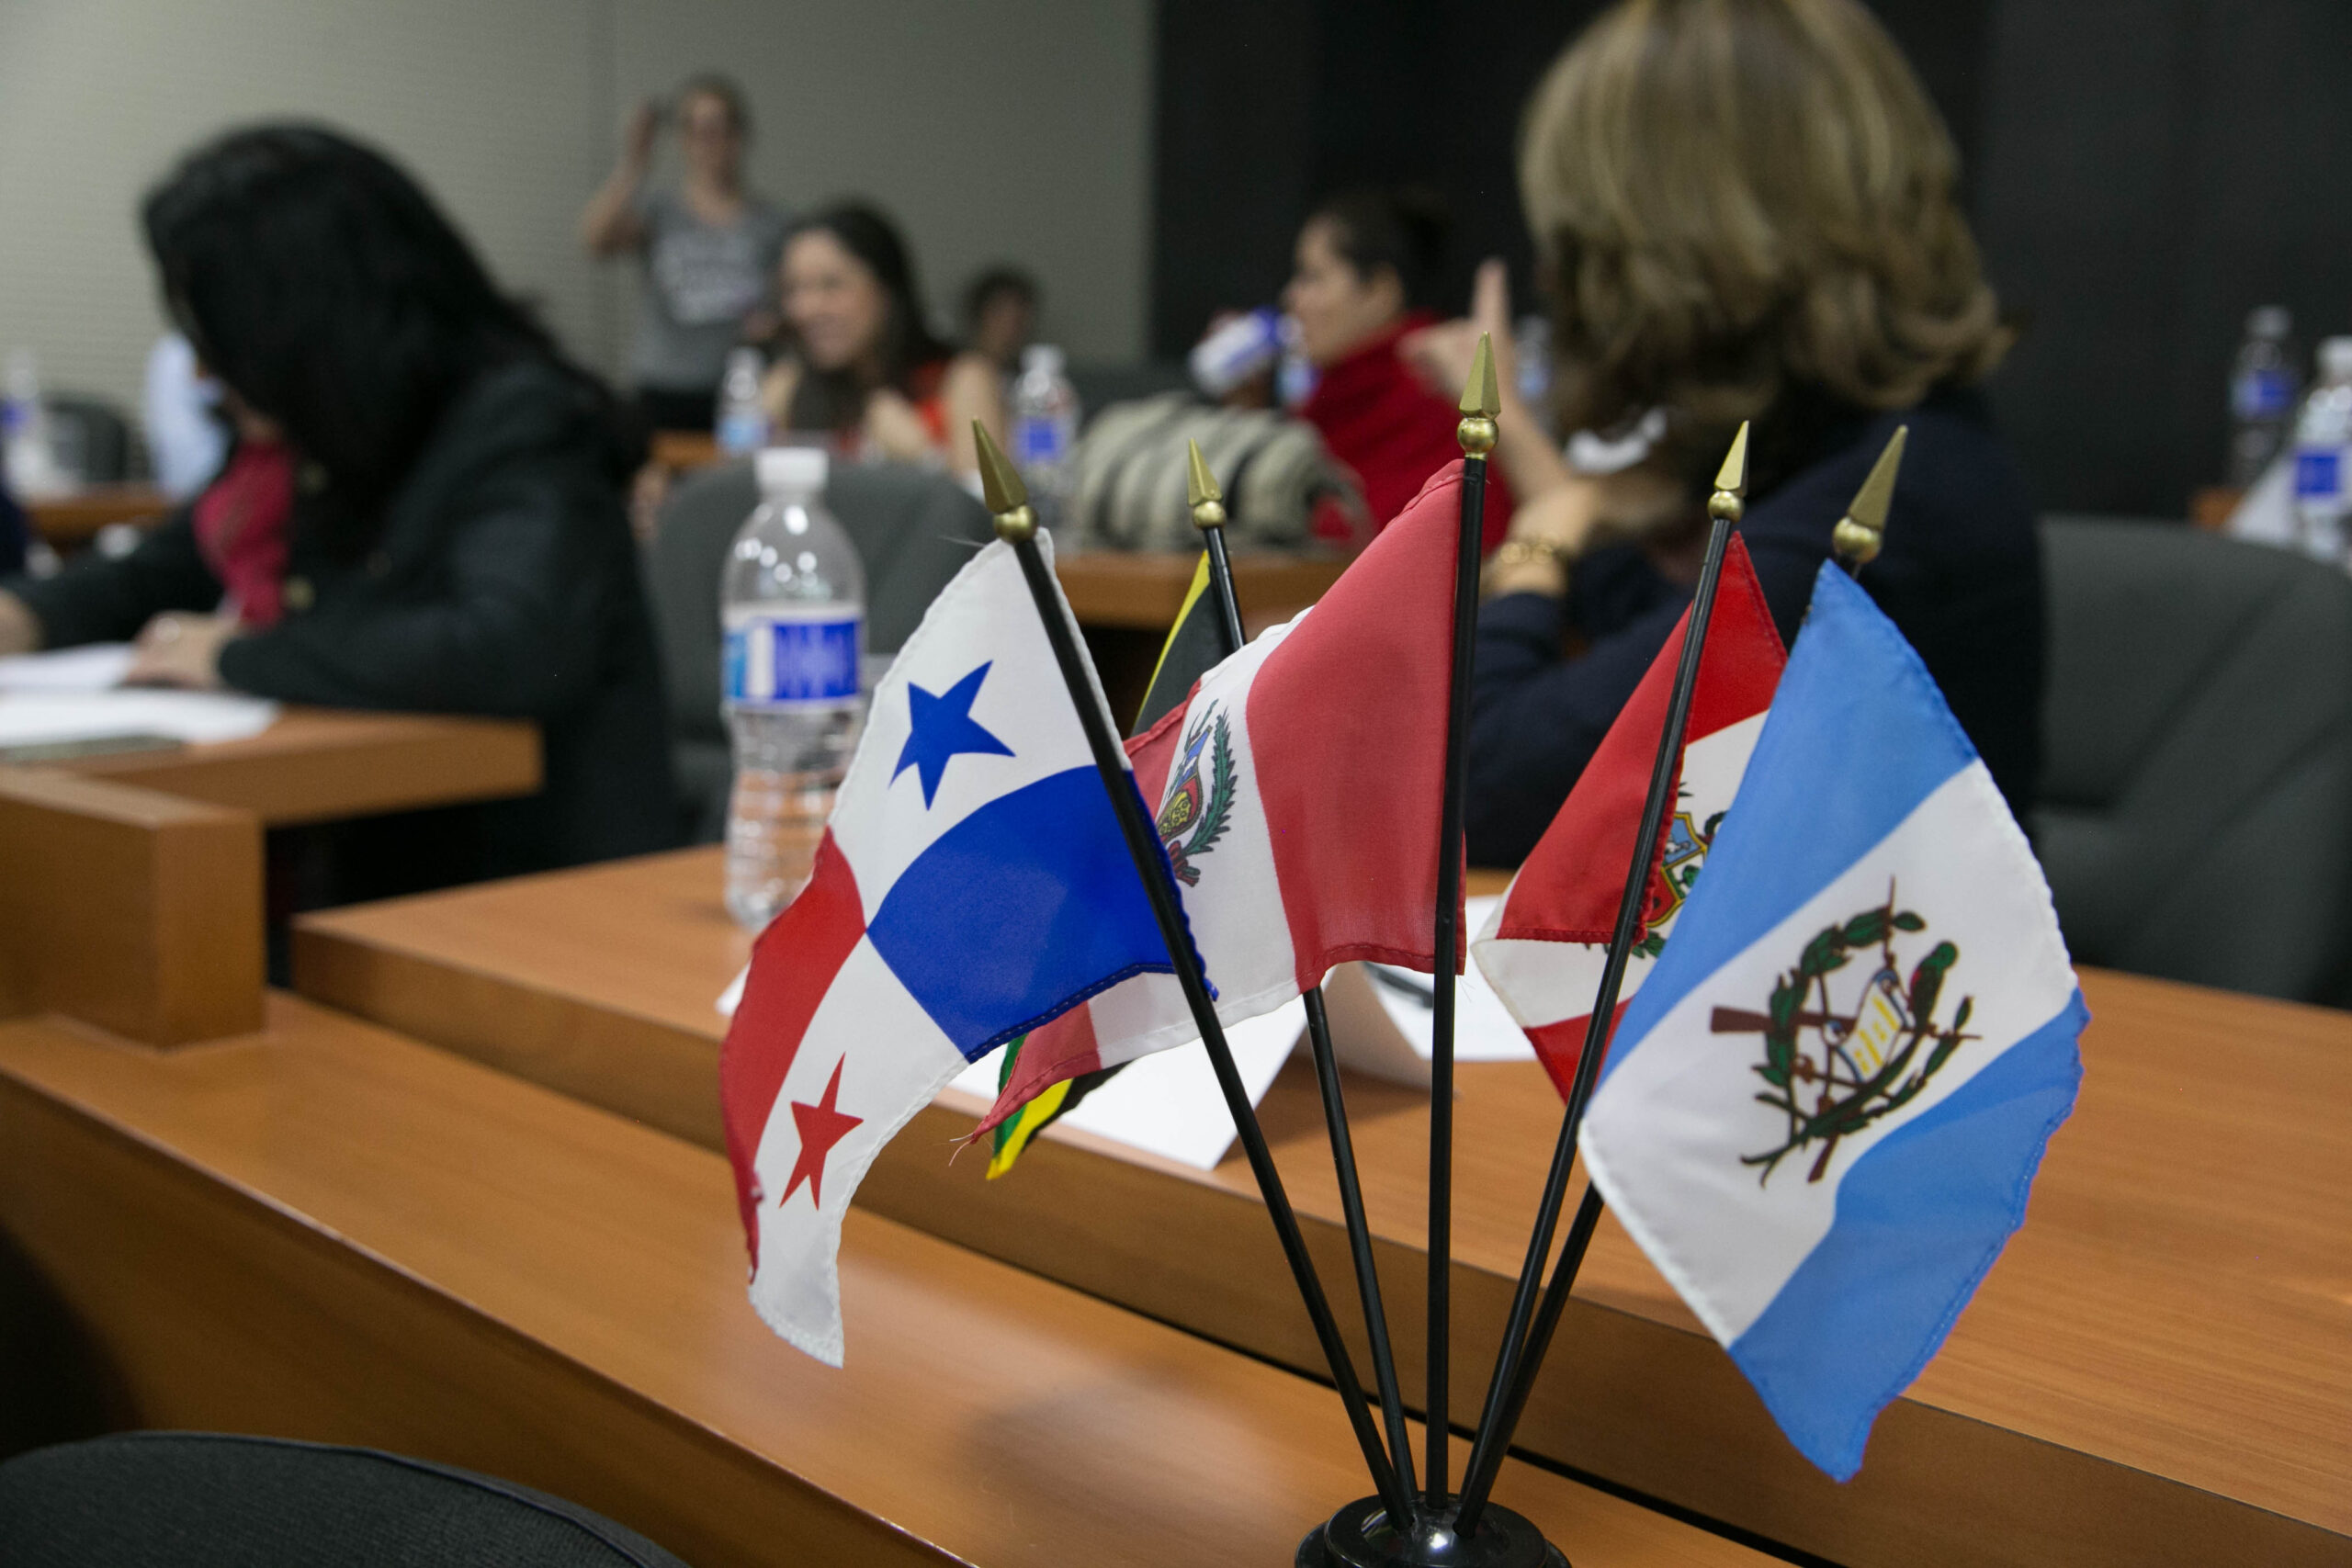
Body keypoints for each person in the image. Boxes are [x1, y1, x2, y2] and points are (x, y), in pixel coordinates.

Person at [1404, 0, 2041, 866]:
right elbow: (1640, 648)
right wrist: (1548, 475)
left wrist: (1540, 539)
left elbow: (1484, 784)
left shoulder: (1888, 506)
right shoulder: (1856, 446)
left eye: (1584, 243)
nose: (1555, 277)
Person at [0, 124, 675, 879]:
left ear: (303, 321)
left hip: (520, 875)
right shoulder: (320, 429)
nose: (201, 372)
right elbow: (160, 570)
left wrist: (236, 656)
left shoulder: (517, 421)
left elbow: (509, 646)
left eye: (219, 336)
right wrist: (27, 617)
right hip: (360, 856)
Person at [1285, 188, 1511, 547]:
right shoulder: (1338, 400)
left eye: (1313, 277)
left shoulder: (1440, 390)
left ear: (1379, 292)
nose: (1292, 298)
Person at [581, 74, 788, 432]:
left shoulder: (772, 222)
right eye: (695, 130)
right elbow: (596, 240)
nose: (708, 142)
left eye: (718, 128)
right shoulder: (658, 211)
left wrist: (775, 324)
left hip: (740, 389)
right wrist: (635, 163)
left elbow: (792, 300)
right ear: (682, 139)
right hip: (663, 384)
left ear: (739, 136)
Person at [761, 203, 1005, 478]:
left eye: (831, 284)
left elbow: (991, 511)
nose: (806, 309)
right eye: (794, 289)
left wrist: (925, 458)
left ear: (886, 289)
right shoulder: (787, 385)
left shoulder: (961, 379)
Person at [962, 265, 1039, 377]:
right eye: (1001, 314)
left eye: (1020, 320)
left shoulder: (1029, 378)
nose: (1011, 328)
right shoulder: (967, 369)